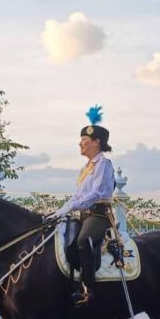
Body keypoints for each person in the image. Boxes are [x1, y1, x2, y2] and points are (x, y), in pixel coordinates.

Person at [49, 105, 115, 307]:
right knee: (63, 239)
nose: (80, 144)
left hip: (99, 215)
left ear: (97, 143)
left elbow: (96, 194)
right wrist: (59, 211)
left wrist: (72, 207)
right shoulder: (85, 168)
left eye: (84, 141)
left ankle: (90, 290)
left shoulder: (103, 164)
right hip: (84, 214)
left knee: (84, 240)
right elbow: (77, 196)